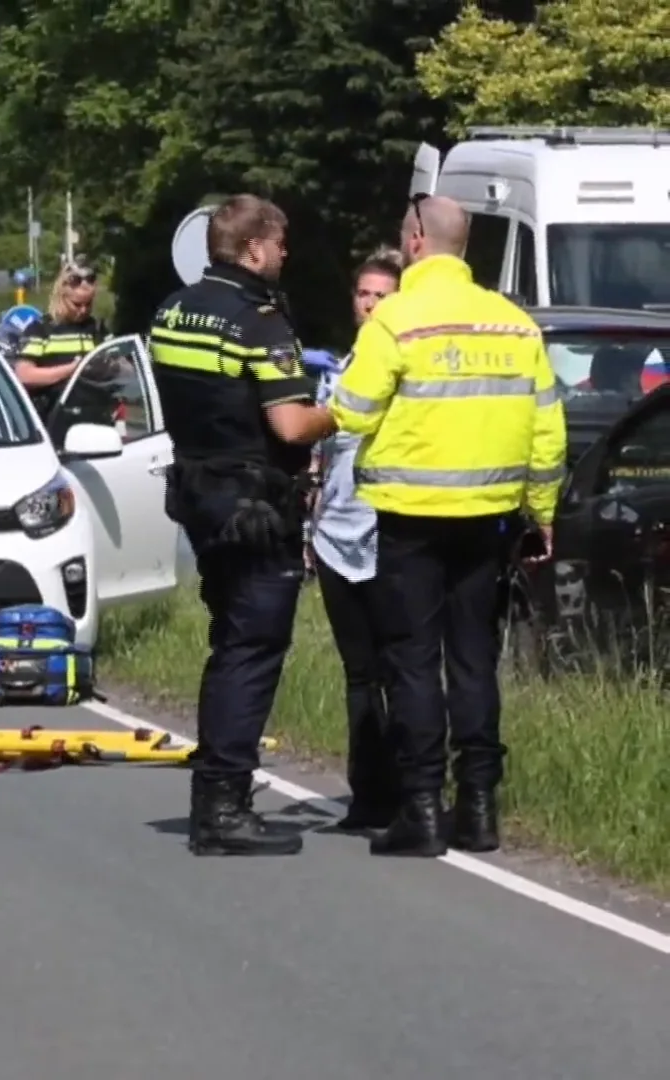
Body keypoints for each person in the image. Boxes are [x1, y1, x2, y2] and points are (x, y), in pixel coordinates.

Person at [329, 195, 565, 858]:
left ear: (413, 241)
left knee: (411, 661)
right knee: (474, 660)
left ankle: (423, 809)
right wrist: (542, 513)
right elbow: (548, 430)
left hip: (410, 517)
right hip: (487, 520)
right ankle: (480, 807)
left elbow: (352, 411)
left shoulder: (397, 319)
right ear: (464, 247)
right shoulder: (514, 325)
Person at [149, 195, 336, 857]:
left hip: (200, 499)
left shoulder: (171, 311)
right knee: (251, 649)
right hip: (254, 506)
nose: (286, 255)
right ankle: (224, 805)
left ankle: (215, 797)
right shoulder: (256, 320)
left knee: (228, 642)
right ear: (254, 247)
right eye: (281, 244)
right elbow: (290, 424)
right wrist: (343, 410)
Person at [310, 249, 403, 832]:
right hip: (336, 537)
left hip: (391, 535)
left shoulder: (405, 368)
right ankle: (366, 793)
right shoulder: (340, 369)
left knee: (401, 667)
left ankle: (408, 789)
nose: (369, 305)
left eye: (382, 296)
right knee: (359, 671)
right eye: (363, 294)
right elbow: (322, 455)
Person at [15, 260, 105, 417]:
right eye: (77, 304)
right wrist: (72, 370)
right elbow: (24, 375)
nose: (83, 310)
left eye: (88, 304)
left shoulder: (96, 328)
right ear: (61, 297)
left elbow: (120, 367)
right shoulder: (41, 329)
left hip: (94, 417)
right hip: (53, 419)